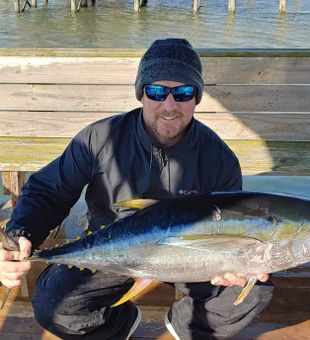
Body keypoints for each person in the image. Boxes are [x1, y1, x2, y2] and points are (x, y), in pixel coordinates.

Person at [0, 38, 273, 339]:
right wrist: (18, 236)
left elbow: (228, 231)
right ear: (141, 93)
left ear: (196, 97)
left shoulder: (220, 160)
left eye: (182, 93)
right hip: (113, 249)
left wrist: (231, 264)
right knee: (53, 303)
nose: (169, 106)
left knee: (251, 293)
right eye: (157, 91)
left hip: (192, 258)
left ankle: (183, 327)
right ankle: (119, 324)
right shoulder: (98, 139)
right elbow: (49, 191)